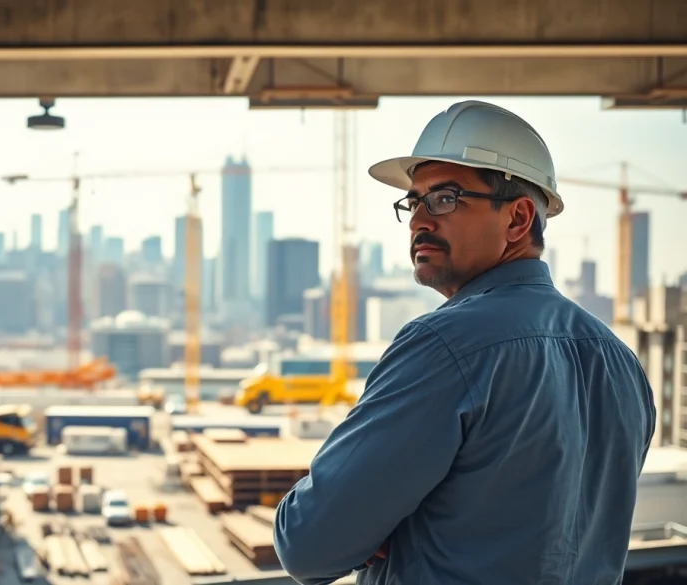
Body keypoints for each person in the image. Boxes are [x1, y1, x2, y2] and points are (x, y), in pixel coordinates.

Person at [273, 100, 656, 585]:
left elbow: (308, 543)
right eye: (414, 201)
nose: (418, 221)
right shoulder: (620, 363)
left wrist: (383, 521)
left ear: (518, 220)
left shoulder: (444, 346)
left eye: (446, 198)